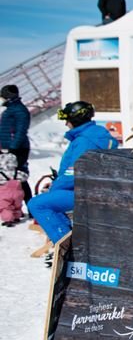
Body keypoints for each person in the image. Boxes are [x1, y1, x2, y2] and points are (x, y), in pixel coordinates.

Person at [26, 101, 118, 254]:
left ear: (74, 120)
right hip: (97, 188)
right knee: (51, 201)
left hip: (86, 191)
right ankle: (69, 241)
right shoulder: (98, 135)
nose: (66, 124)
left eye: (67, 120)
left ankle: (67, 249)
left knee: (38, 204)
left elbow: (74, 173)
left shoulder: (84, 141)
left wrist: (54, 187)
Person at [0, 84, 32, 203]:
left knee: (18, 175)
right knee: (8, 176)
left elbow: (21, 131)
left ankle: (30, 205)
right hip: (8, 147)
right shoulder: (11, 109)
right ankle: (12, 207)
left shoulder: (19, 110)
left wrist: (13, 148)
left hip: (18, 148)